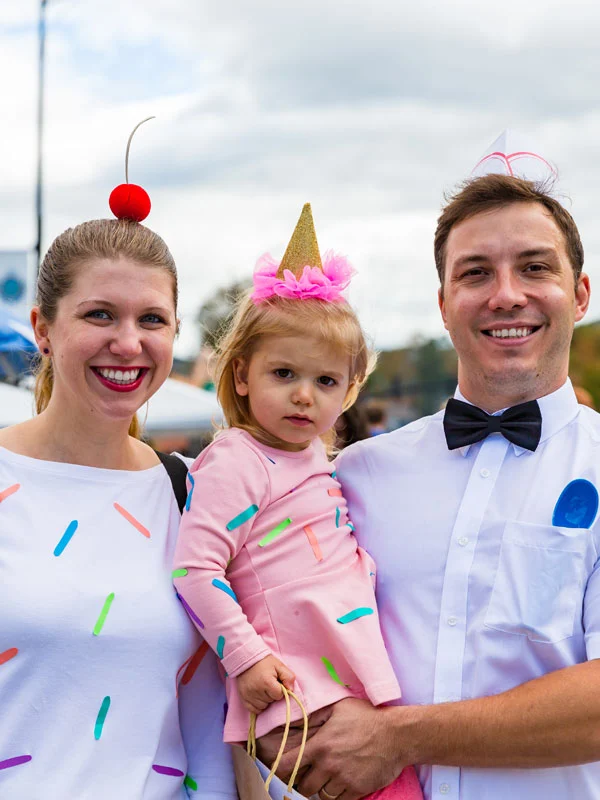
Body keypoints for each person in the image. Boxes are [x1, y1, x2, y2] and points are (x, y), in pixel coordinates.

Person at [272, 172, 600, 800]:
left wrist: (400, 737)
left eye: (535, 268)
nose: (506, 295)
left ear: (579, 294)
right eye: (475, 273)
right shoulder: (353, 477)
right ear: (444, 303)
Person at [173, 204, 423, 800]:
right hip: (295, 695)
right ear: (241, 376)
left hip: (343, 684)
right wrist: (247, 658)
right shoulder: (238, 458)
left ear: (348, 389)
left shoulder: (314, 457)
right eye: (284, 373)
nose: (304, 396)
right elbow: (194, 568)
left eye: (326, 381)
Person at [0, 218, 236, 799]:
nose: (128, 343)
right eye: (100, 314)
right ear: (43, 329)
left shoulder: (190, 495)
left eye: (152, 319)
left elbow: (207, 720)